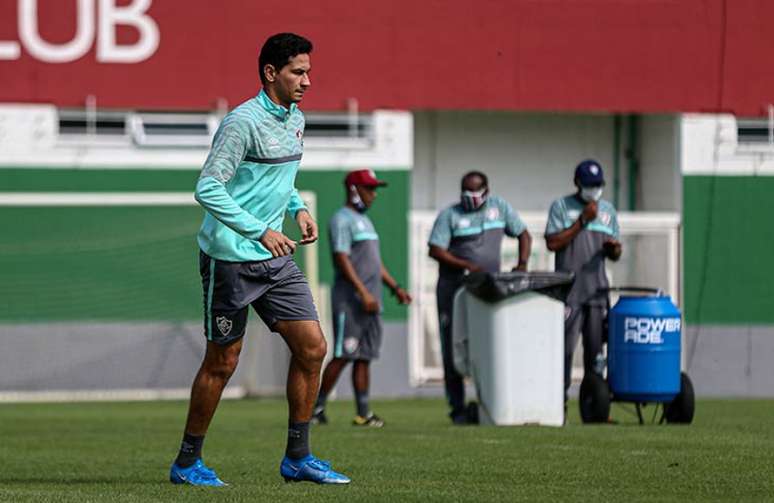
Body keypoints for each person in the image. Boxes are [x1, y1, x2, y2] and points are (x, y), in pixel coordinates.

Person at [169, 32, 350, 486]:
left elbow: (279, 179)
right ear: (271, 73)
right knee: (223, 363)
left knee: (313, 349)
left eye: (309, 72)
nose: (308, 81)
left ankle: (297, 458)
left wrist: (297, 209)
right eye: (298, 72)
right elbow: (207, 187)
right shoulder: (241, 123)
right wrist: (260, 230)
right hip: (230, 258)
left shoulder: (295, 119)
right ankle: (187, 462)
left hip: (275, 259)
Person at [428, 171, 532, 424]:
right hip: (455, 289)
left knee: (491, 345)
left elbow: (523, 234)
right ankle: (458, 408)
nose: (470, 197)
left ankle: (493, 402)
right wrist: (466, 265)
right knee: (454, 347)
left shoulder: (499, 208)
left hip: (487, 289)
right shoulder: (450, 215)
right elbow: (435, 249)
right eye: (466, 192)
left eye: (475, 192)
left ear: (486, 190)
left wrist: (522, 264)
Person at [311, 169, 412, 428]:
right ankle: (315, 408)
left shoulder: (365, 221)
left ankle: (363, 413)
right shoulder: (341, 219)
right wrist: (363, 292)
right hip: (351, 300)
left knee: (364, 356)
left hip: (371, 300)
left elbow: (375, 264)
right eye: (369, 189)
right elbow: (341, 258)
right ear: (354, 189)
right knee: (344, 354)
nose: (374, 195)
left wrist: (394, 287)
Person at [544, 159, 622, 410]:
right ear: (577, 183)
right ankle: (558, 404)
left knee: (596, 353)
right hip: (569, 291)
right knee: (564, 350)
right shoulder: (561, 207)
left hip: (597, 291)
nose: (594, 189)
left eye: (598, 185)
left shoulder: (608, 210)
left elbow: (615, 253)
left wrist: (614, 249)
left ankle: (595, 406)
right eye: (590, 185)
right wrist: (582, 222)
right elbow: (553, 243)